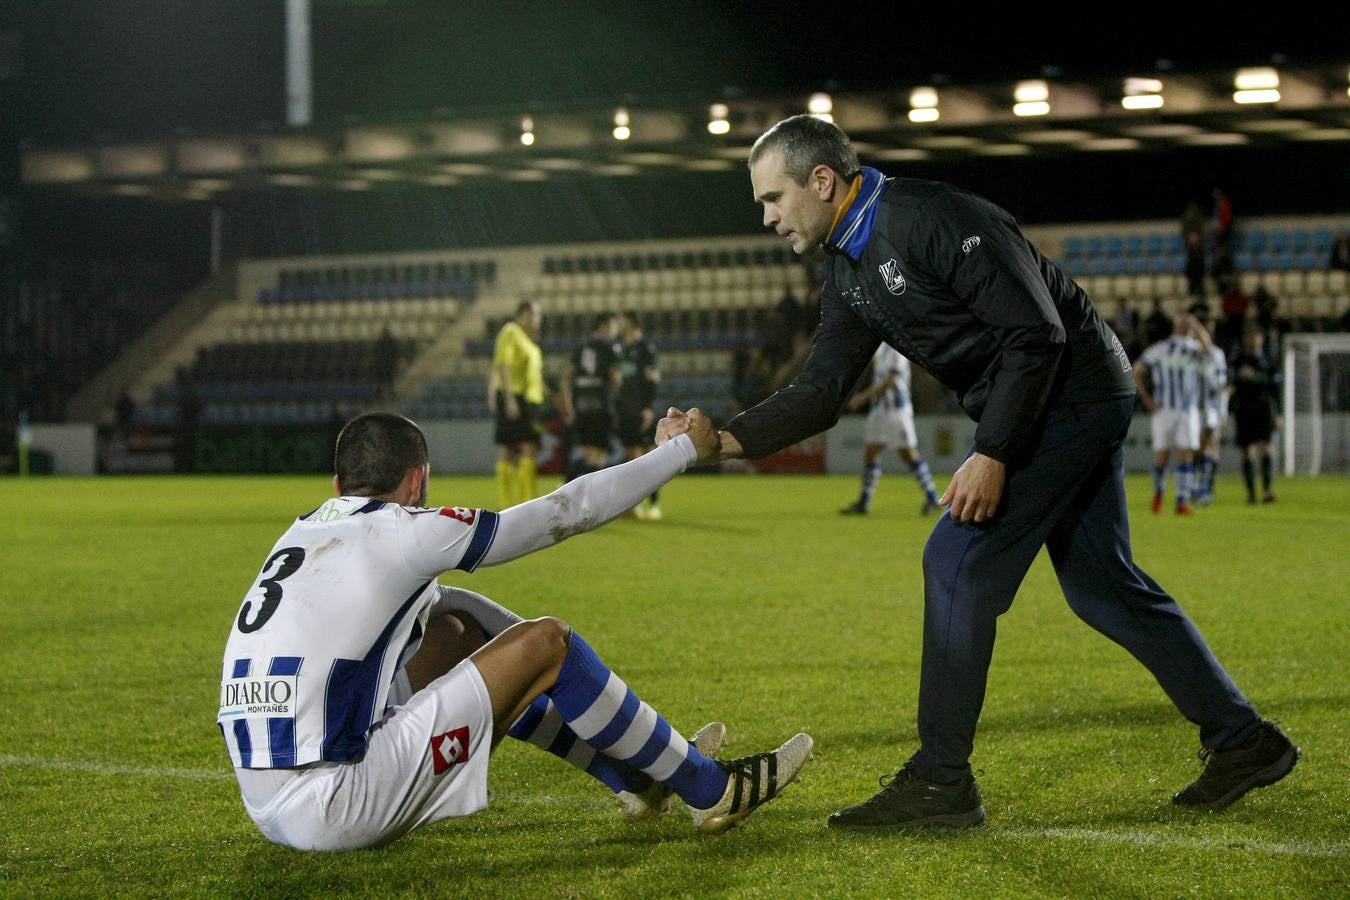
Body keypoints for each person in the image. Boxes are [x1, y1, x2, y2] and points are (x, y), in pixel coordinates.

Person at [660, 114, 1297, 829]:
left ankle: (942, 782)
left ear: (822, 180)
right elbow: (821, 391)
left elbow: (1037, 333)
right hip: (1060, 402)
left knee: (957, 562)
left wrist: (992, 452)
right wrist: (724, 442)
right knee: (1104, 589)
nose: (768, 218)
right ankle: (1245, 741)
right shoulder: (847, 263)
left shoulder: (933, 216)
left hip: (1071, 394)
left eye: (772, 199)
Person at [217, 411, 813, 851]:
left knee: (453, 635)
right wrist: (679, 453)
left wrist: (509, 652)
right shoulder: (403, 530)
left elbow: (453, 610)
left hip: (266, 804)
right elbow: (565, 511)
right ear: (418, 480)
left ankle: (632, 776)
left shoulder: (301, 536)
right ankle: (713, 790)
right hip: (338, 799)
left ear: (336, 485)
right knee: (547, 642)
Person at [839, 343, 940, 516]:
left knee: (907, 453)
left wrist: (864, 397)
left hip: (896, 410)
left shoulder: (898, 348)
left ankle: (932, 497)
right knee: (871, 452)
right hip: (879, 410)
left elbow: (892, 379)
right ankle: (863, 503)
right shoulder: (881, 348)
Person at [1135, 314, 1212, 516]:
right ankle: (1159, 493)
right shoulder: (1161, 349)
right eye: (1182, 322)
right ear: (1174, 325)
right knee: (1162, 455)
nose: (1185, 325)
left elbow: (1209, 348)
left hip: (1187, 410)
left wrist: (1197, 325)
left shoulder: (1193, 347)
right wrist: (1148, 400)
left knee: (1186, 455)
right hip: (1163, 410)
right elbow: (1137, 370)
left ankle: (1181, 500)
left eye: (1187, 323)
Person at [487, 301, 545, 508]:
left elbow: (534, 376)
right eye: (535, 314)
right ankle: (514, 502)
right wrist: (509, 399)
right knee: (511, 447)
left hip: (530, 401)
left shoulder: (530, 343)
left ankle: (524, 500)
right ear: (523, 314)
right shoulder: (511, 331)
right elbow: (502, 362)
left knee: (526, 448)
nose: (538, 319)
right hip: (515, 397)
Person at [560, 312, 622, 480]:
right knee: (599, 455)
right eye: (613, 326)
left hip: (581, 406)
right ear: (603, 326)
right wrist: (618, 404)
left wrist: (569, 406)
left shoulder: (580, 348)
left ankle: (568, 482)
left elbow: (565, 379)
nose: (615, 331)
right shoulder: (610, 348)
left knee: (587, 451)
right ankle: (577, 487)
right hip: (601, 406)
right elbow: (616, 379)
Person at [615, 310, 664, 520]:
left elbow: (653, 378)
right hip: (625, 409)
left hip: (641, 409)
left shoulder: (645, 347)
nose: (618, 323)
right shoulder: (621, 348)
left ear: (631, 322)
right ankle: (633, 506)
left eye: (622, 319)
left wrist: (649, 408)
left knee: (648, 456)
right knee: (629, 457)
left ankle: (654, 506)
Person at [1229, 328, 1280, 504]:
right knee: (1247, 451)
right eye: (1250, 336)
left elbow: (1275, 385)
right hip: (1243, 409)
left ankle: (1267, 490)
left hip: (1264, 408)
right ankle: (1251, 493)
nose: (1253, 339)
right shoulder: (1238, 359)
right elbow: (1230, 381)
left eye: (1256, 336)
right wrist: (1238, 378)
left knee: (1266, 447)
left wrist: (1278, 414)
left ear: (1261, 339)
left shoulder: (1268, 359)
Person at [1194, 336, 1229, 505]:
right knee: (1199, 449)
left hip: (1211, 409)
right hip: (1194, 410)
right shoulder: (1190, 356)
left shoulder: (1216, 355)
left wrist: (1223, 412)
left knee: (1210, 447)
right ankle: (1200, 487)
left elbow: (1223, 387)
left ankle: (1205, 489)